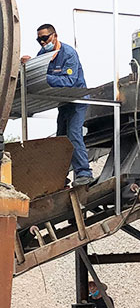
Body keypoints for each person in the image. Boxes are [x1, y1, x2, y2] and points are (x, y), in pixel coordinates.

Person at [21, 24, 93, 186]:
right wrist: (28, 66)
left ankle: (84, 173)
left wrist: (44, 78)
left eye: (45, 38)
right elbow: (35, 77)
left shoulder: (68, 54)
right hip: (63, 101)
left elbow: (69, 81)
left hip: (77, 99)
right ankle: (60, 176)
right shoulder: (42, 54)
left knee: (73, 133)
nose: (42, 42)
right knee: (60, 138)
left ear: (55, 36)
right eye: (39, 40)